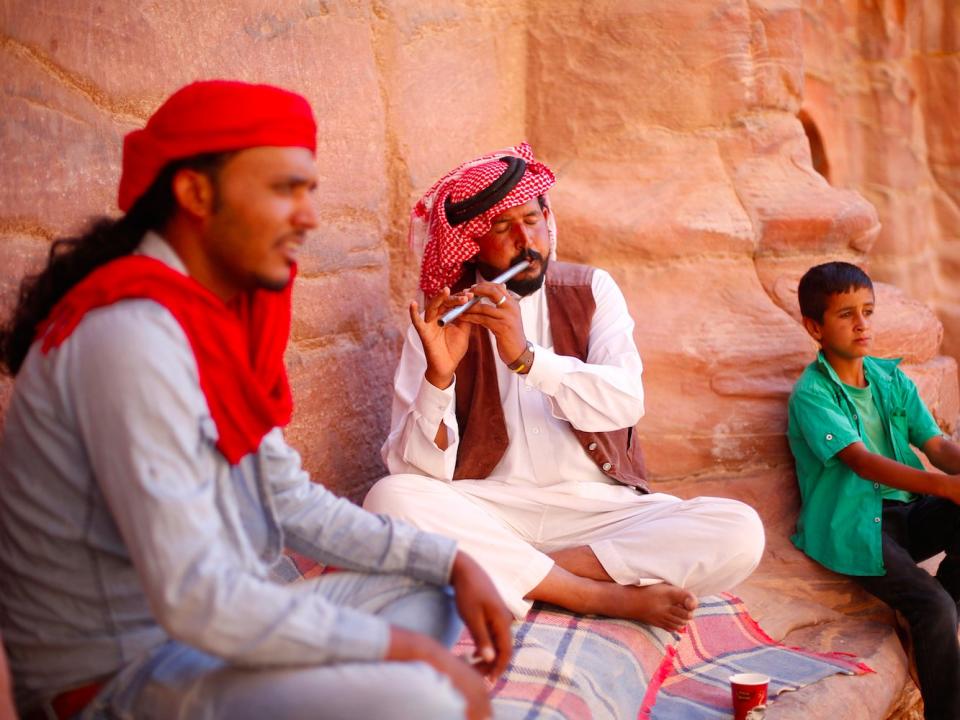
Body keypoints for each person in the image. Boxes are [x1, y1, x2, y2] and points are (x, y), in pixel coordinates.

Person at [0, 80, 513, 720]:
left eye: (309, 190)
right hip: (121, 677)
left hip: (201, 639)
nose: (309, 215)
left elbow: (286, 498)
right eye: (283, 189)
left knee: (428, 588)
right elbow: (194, 596)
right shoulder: (129, 335)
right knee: (426, 697)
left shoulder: (207, 321)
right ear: (195, 193)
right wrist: (411, 657)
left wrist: (452, 558)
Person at [363, 143, 765, 631]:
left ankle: (515, 571)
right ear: (472, 243)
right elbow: (415, 474)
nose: (524, 239)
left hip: (597, 512)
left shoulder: (592, 290)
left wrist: (527, 358)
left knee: (740, 530)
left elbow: (624, 402)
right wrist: (439, 378)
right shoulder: (440, 319)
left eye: (531, 220)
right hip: (493, 509)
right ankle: (592, 595)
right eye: (501, 227)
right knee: (390, 498)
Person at [788, 261, 960, 720]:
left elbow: (937, 445)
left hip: (907, 513)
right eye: (846, 314)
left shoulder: (889, 379)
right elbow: (861, 463)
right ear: (815, 326)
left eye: (867, 311)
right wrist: (947, 487)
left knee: (943, 605)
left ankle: (942, 610)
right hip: (854, 526)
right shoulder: (812, 394)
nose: (861, 324)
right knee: (934, 608)